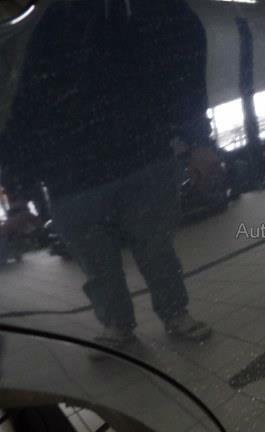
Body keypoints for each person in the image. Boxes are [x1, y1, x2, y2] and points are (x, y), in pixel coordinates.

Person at [0, 0, 213, 347]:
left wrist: (198, 140)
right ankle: (121, 323)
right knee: (101, 264)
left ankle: (171, 313)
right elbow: (17, 116)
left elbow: (174, 55)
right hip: (78, 178)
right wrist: (19, 197)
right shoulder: (32, 33)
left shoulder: (124, 12)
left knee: (155, 250)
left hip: (132, 161)